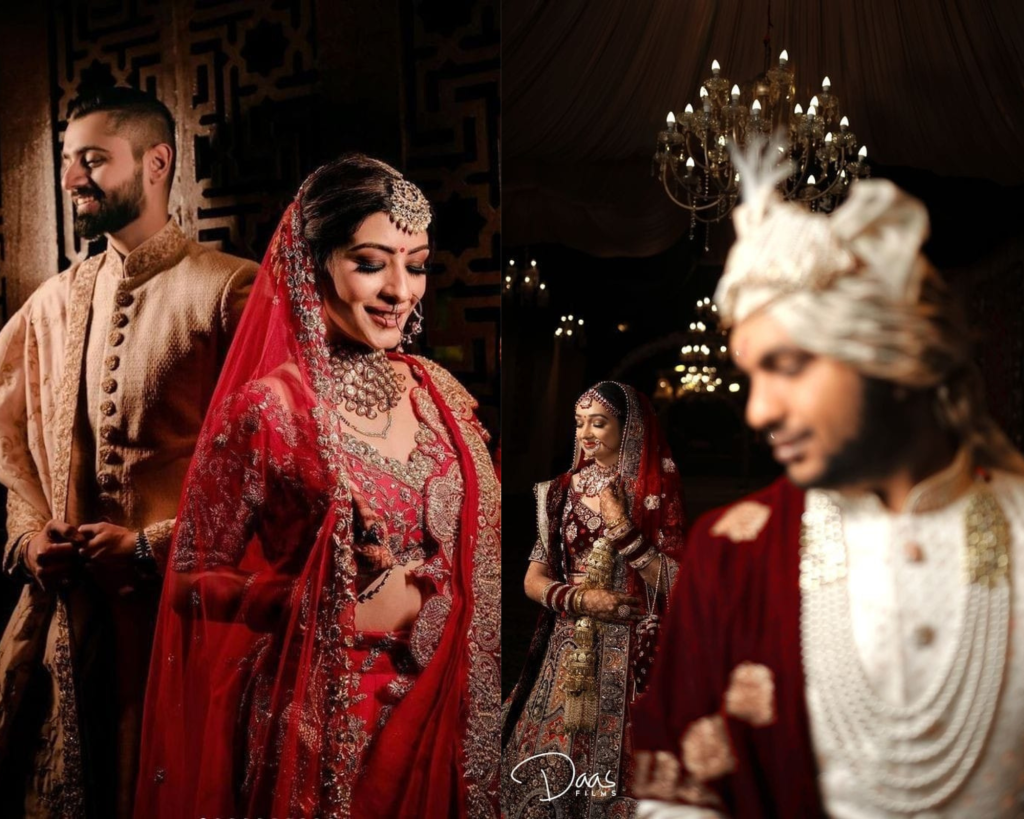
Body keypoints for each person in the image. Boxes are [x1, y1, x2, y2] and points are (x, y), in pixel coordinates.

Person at [630, 138, 1024, 818]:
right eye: (751, 376)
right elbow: (679, 798)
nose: (758, 410)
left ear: (890, 353)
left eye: (787, 364)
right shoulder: (729, 551)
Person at [133, 155, 501, 819]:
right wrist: (320, 601)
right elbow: (188, 581)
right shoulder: (268, 411)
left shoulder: (441, 396)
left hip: (451, 718)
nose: (400, 288)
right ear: (314, 265)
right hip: (328, 736)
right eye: (371, 261)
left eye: (415, 263)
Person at [0, 86, 256, 818]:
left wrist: (151, 548)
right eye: (67, 163)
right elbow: (10, 438)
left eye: (92, 160)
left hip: (185, 624)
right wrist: (27, 537)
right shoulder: (53, 303)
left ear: (156, 163)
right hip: (70, 629)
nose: (72, 179)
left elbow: (273, 472)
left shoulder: (226, 290)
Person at [502, 380, 686, 818]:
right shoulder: (559, 491)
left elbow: (676, 581)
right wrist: (581, 600)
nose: (586, 433)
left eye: (599, 423)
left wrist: (623, 529)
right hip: (568, 650)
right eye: (580, 422)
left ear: (630, 429)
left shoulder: (654, 492)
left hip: (634, 655)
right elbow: (532, 578)